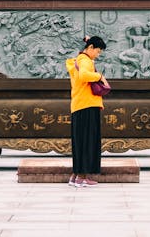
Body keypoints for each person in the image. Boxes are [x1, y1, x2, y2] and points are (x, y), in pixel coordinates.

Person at [66, 35, 107, 187]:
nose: (98, 54)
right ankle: (81, 177)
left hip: (80, 104)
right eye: (97, 51)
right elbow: (84, 76)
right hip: (87, 105)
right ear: (90, 48)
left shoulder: (79, 59)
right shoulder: (85, 60)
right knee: (87, 142)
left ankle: (76, 176)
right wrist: (100, 76)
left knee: (81, 141)